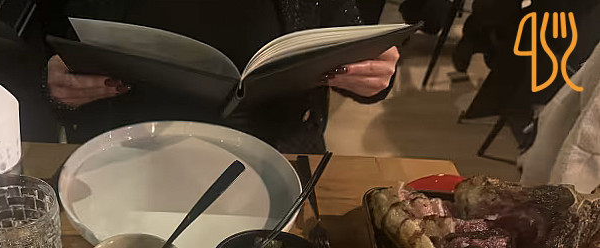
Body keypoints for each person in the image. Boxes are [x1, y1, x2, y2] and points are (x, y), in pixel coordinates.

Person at [42, 0, 400, 152]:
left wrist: (371, 75)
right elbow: (50, 53)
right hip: (130, 154)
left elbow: (350, 41)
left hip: (277, 156)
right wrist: (56, 86)